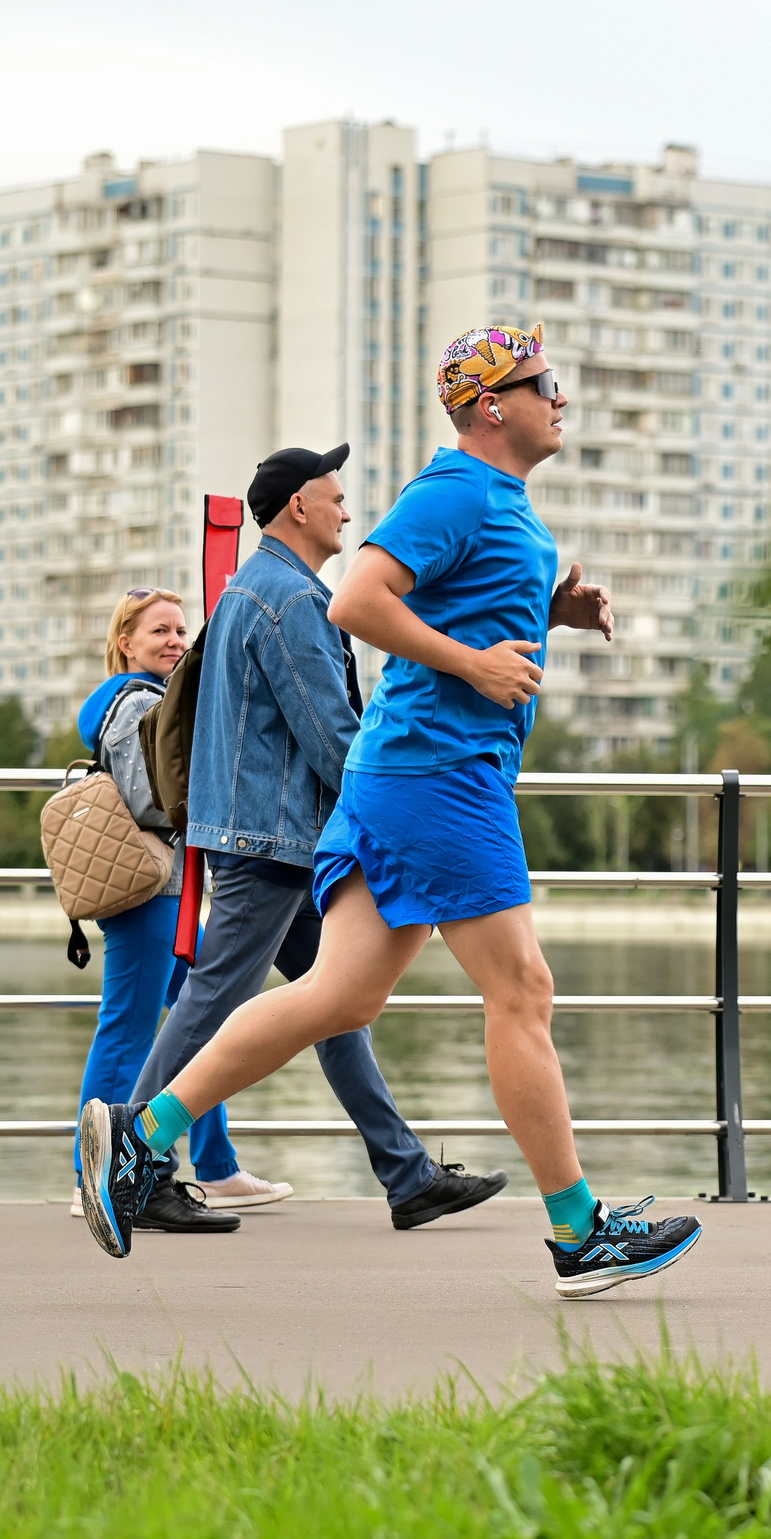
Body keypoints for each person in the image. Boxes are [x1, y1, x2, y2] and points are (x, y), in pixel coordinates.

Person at [79, 327, 703, 1298]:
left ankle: (141, 1136)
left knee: (340, 997)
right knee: (522, 990)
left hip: (405, 774)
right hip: (439, 774)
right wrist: (475, 662)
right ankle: (579, 1231)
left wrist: (549, 611)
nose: (561, 400)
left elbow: (454, 604)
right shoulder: (453, 488)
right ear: (492, 403)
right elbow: (357, 601)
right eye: (547, 385)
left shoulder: (493, 500)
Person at [112, 443, 508, 1232]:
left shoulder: (250, 588)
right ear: (299, 505)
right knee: (215, 999)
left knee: (336, 1003)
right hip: (274, 840)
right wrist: (397, 809)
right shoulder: (291, 600)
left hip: (266, 831)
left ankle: (406, 1172)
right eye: (334, 497)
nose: (347, 511)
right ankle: (133, 1163)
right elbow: (334, 737)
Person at [68, 587, 286, 1235]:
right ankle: (92, 1177)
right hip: (147, 893)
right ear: (125, 642)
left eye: (180, 629)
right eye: (158, 630)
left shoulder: (153, 700)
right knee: (129, 1031)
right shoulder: (133, 703)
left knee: (198, 1026)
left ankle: (214, 1163)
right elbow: (149, 799)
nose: (173, 640)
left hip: (171, 891)